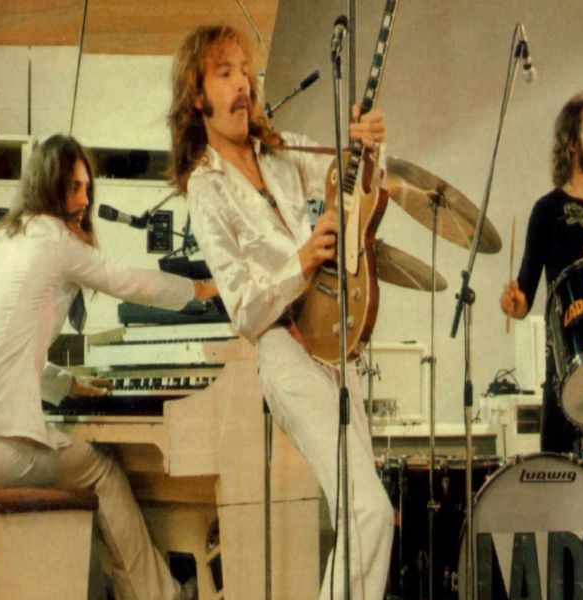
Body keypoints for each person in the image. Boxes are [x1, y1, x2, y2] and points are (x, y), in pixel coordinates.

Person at [168, 25, 393, 600]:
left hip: (332, 342)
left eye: (245, 71)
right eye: (225, 74)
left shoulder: (282, 150)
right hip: (282, 349)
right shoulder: (205, 187)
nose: (243, 84)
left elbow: (355, 184)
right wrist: (303, 260)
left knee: (368, 515)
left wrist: (368, 146)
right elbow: (243, 309)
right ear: (197, 96)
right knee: (367, 511)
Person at [0, 134, 217, 600]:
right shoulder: (54, 238)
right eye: (74, 188)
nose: (84, 201)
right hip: (3, 450)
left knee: (88, 460)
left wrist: (67, 384)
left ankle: (127, 587)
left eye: (87, 189)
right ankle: (162, 595)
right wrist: (197, 290)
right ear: (49, 186)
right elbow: (127, 282)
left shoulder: (7, 238)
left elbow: (9, 348)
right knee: (103, 469)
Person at [500, 92, 583, 453]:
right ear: (571, 141)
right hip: (566, 373)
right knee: (561, 476)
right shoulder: (548, 211)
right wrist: (515, 303)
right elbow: (524, 295)